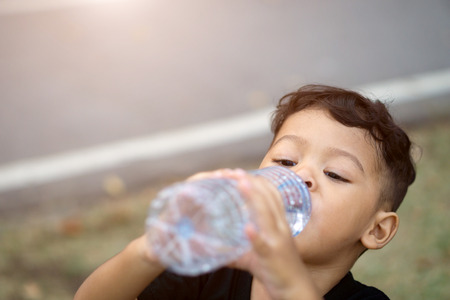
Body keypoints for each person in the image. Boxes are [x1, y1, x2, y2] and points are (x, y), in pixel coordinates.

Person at [74, 84, 416, 300]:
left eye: (334, 174)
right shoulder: (213, 269)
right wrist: (149, 250)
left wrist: (282, 274)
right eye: (284, 160)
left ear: (377, 229)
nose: (301, 175)